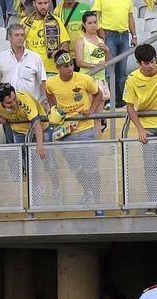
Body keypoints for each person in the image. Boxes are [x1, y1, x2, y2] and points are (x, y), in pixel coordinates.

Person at [45, 50, 103, 206]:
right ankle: (87, 192)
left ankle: (98, 201)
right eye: (65, 66)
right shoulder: (51, 82)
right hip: (65, 131)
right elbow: (49, 95)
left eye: (71, 64)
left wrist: (90, 109)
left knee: (92, 167)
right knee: (76, 168)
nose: (70, 68)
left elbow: (99, 94)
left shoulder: (85, 79)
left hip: (85, 129)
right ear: (58, 67)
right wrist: (54, 109)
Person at [0, 24, 49, 111]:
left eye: (22, 35)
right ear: (10, 37)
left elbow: (42, 82)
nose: (20, 38)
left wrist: (44, 101)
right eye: (16, 35)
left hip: (32, 108)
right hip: (9, 109)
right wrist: (0, 109)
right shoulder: (0, 57)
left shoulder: (35, 57)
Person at [92, 0, 137, 108]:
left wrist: (134, 36)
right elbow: (96, 15)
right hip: (109, 34)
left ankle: (121, 99)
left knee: (122, 70)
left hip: (124, 35)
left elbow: (130, 17)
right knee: (109, 69)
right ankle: (109, 99)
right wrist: (101, 32)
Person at [0, 83, 49, 156]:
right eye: (9, 102)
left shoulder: (25, 100)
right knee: (22, 158)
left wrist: (40, 145)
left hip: (40, 128)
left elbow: (37, 124)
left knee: (46, 157)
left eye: (14, 98)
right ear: (1, 102)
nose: (14, 103)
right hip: (18, 130)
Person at [23, 0, 70, 76]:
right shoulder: (25, 22)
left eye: (45, 3)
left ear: (49, 3)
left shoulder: (56, 21)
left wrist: (60, 53)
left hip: (52, 70)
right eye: (40, 3)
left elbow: (65, 44)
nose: (43, 6)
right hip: (31, 69)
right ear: (34, 4)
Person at [75, 11, 110, 112]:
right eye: (90, 23)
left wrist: (107, 50)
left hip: (100, 79)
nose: (93, 25)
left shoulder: (101, 41)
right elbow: (79, 62)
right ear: (84, 25)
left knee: (98, 116)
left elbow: (107, 62)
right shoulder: (81, 41)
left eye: (95, 22)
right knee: (87, 112)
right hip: (87, 79)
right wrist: (95, 66)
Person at [53, 0, 91, 68]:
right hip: (67, 57)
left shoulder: (87, 8)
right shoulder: (57, 10)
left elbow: (98, 30)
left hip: (85, 56)